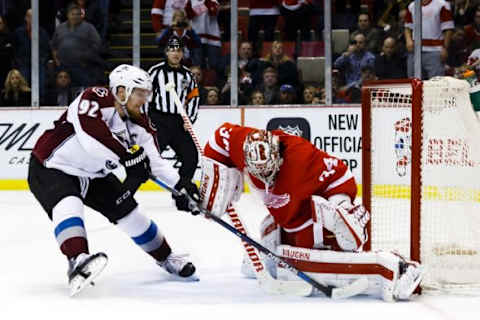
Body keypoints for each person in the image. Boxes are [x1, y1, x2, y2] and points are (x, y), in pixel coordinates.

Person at [190, 123, 424, 301]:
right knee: (270, 232)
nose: (263, 177)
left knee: (296, 263)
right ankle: (282, 253)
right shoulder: (247, 143)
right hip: (308, 193)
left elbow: (291, 220)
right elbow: (221, 135)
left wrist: (293, 257)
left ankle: (393, 268)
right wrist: (214, 176)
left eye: (268, 171)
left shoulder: (293, 172)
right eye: (257, 172)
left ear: (278, 156)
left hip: (333, 187)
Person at [27, 64, 199, 296]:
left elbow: (156, 163)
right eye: (140, 93)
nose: (144, 100)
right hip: (51, 166)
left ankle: (167, 258)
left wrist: (182, 186)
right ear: (121, 91)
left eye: (146, 95)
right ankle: (77, 260)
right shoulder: (94, 98)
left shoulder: (140, 124)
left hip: (94, 175)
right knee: (69, 204)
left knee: (131, 216)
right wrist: (126, 156)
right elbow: (91, 138)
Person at [147, 35, 200, 193]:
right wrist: (147, 120)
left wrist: (189, 119)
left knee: (191, 157)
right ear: (166, 52)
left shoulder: (188, 75)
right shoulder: (155, 72)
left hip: (179, 123)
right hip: (159, 121)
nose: (175, 53)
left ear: (183, 53)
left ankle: (182, 189)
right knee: (149, 158)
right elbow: (145, 97)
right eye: (172, 50)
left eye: (178, 50)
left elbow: (194, 98)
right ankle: (128, 191)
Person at [404, 0, 454, 79]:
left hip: (435, 51)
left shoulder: (441, 4)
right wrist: (408, 40)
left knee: (436, 83)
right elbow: (407, 27)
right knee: (413, 81)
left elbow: (448, 28)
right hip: (415, 51)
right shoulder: (412, 5)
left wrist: (445, 48)